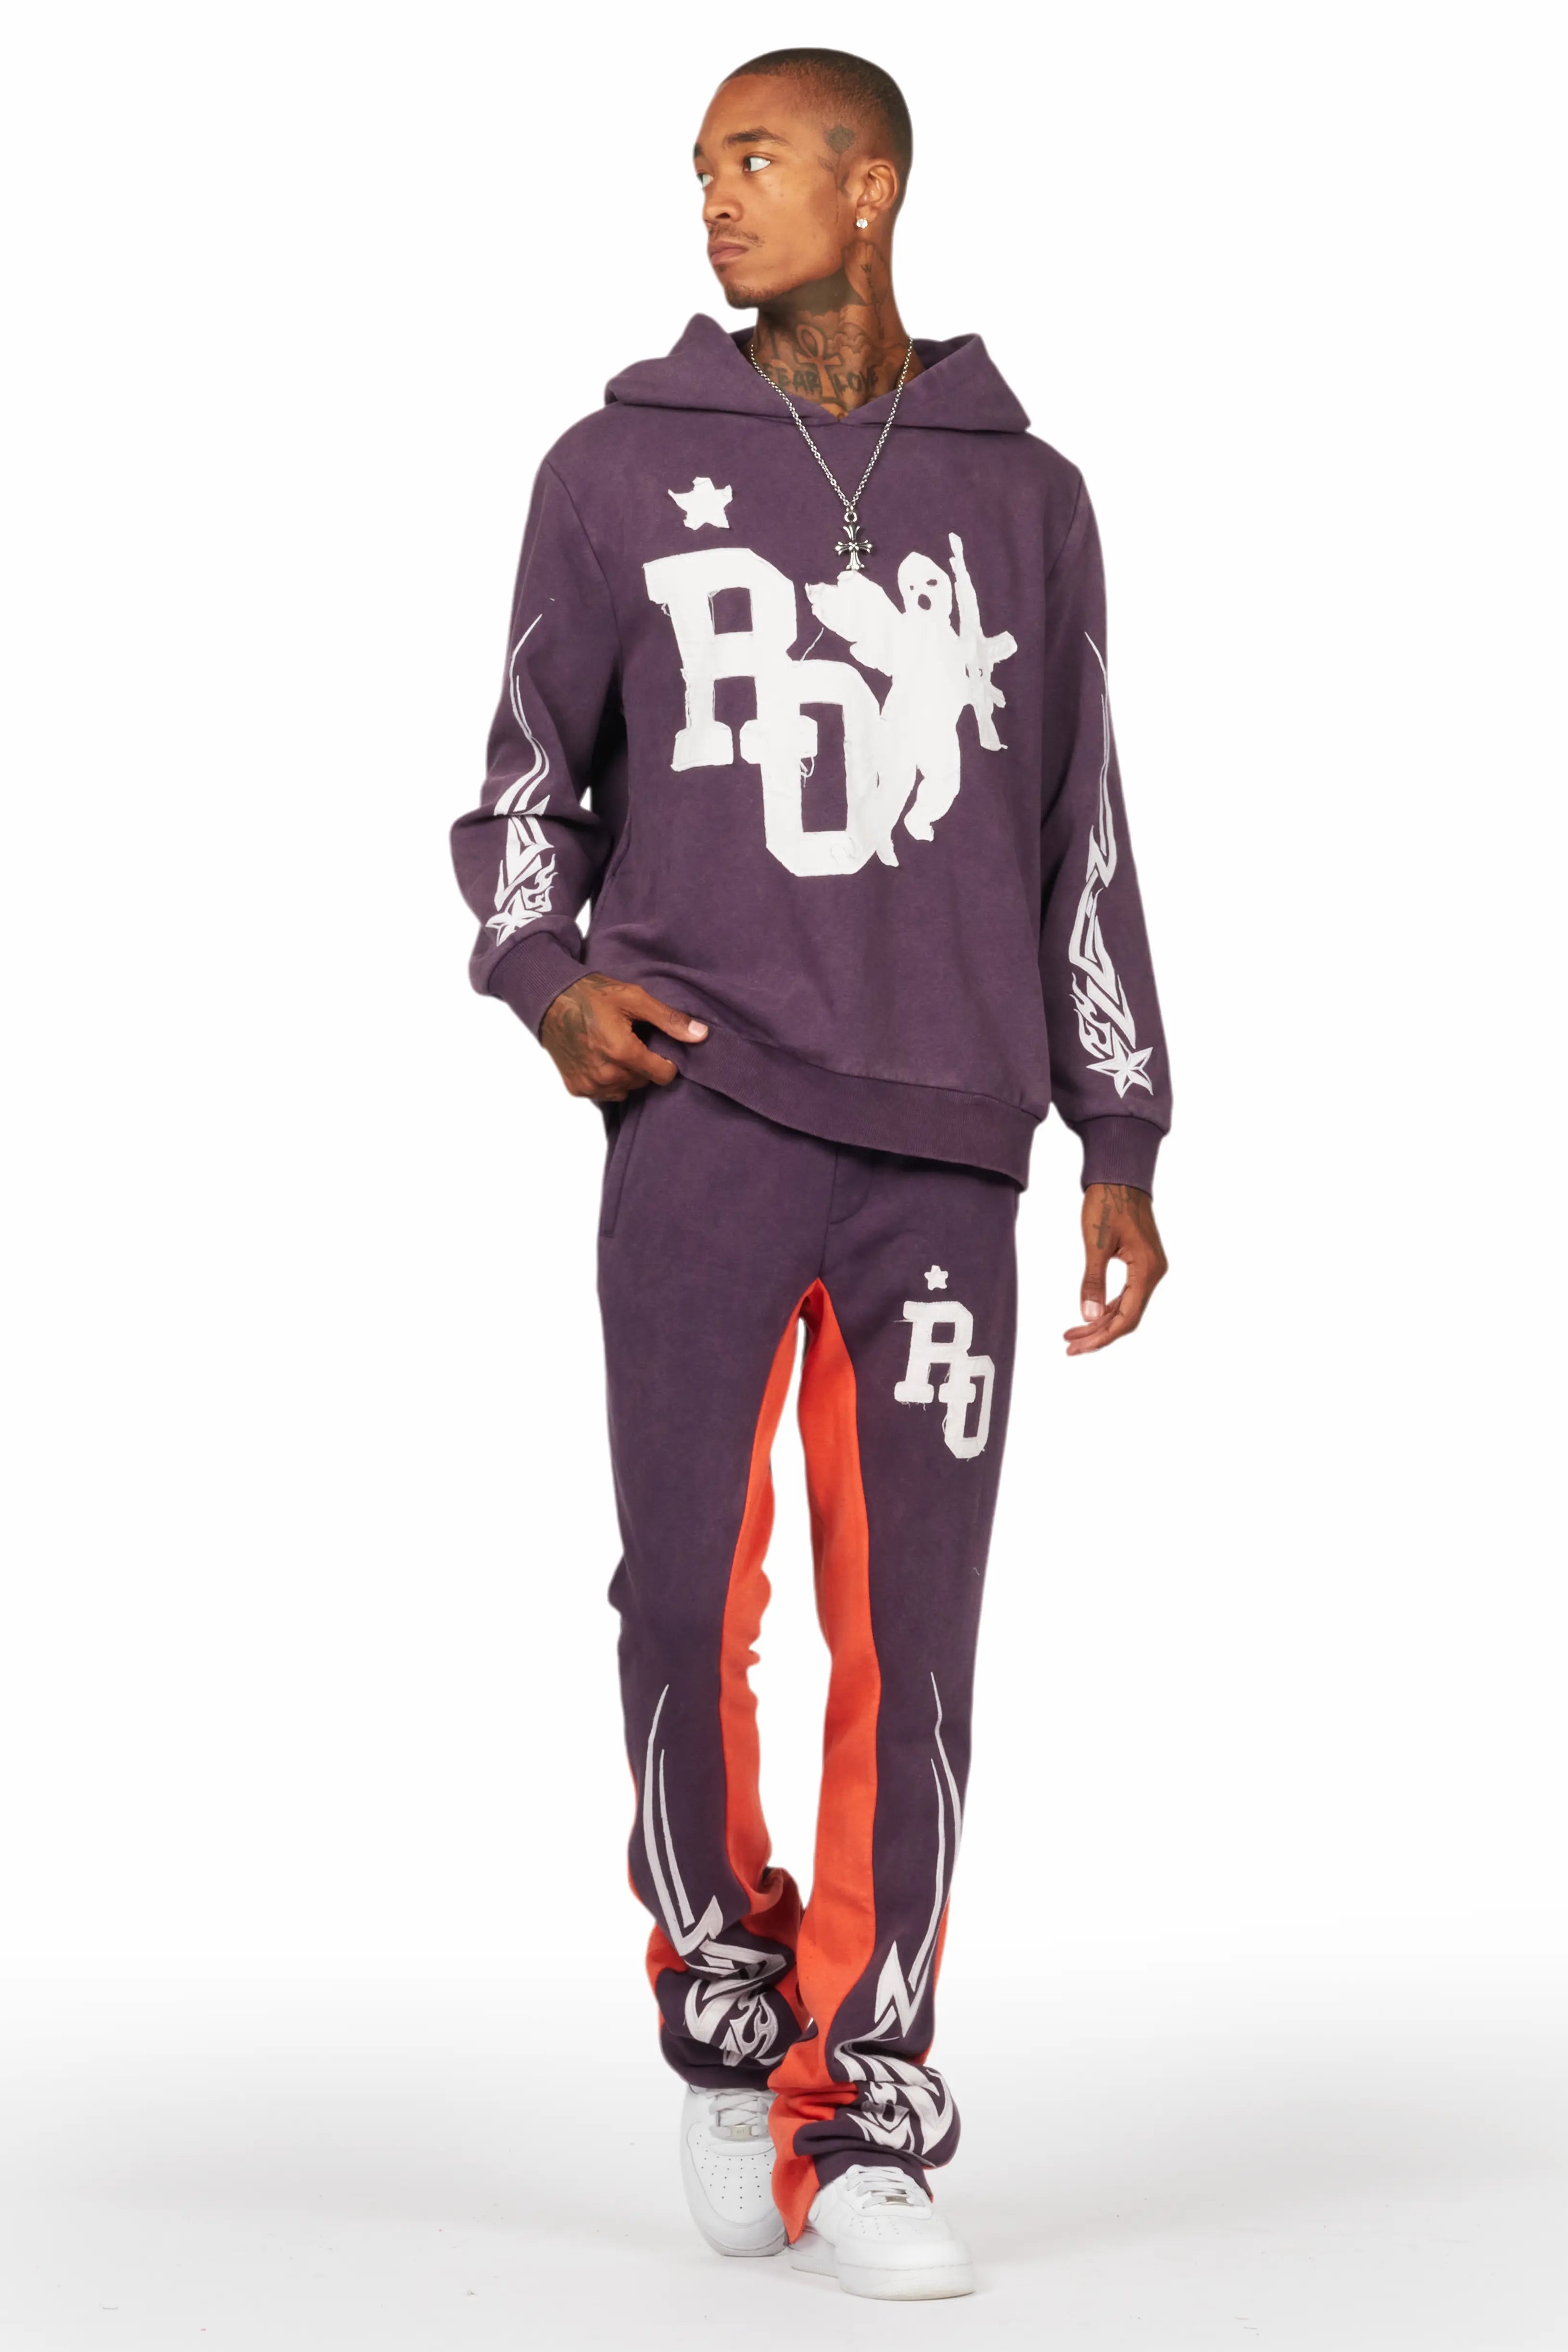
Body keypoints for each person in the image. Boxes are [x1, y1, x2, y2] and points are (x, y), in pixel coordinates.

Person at [450, 46, 1170, 2301]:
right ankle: (723, 1995)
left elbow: (1077, 828)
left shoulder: (1024, 497)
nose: (713, 199)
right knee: (683, 1595)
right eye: (699, 168)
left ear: (871, 189)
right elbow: (521, 792)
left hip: (948, 1148)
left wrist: (1119, 1124)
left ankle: (862, 2101)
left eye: (755, 160)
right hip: (705, 1117)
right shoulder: (611, 468)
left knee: (909, 1640)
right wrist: (544, 979)